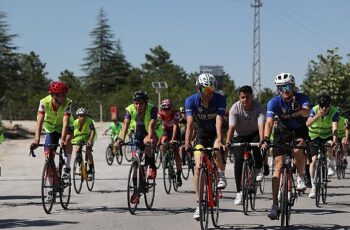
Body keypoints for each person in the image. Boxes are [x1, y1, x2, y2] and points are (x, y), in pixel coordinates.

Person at [261, 73, 310, 220]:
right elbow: (269, 122)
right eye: (280, 88)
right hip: (282, 132)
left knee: (297, 150)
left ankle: (300, 177)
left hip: (300, 130)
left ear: (293, 86)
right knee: (278, 167)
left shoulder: (302, 98)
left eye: (287, 86)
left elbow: (307, 113)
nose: (284, 90)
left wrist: (299, 108)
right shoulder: (273, 102)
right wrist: (265, 138)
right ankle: (275, 204)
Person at [184, 73, 227, 220]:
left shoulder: (220, 99)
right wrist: (187, 142)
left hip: (216, 133)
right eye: (205, 90)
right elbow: (190, 124)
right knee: (198, 167)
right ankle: (199, 203)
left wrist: (220, 140)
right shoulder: (191, 101)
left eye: (211, 90)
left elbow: (219, 121)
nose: (209, 93)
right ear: (198, 89)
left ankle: (221, 173)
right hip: (201, 134)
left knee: (217, 149)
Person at [117, 90, 162, 203]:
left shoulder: (152, 109)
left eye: (141, 103)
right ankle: (136, 190)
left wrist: (149, 138)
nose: (138, 106)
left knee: (149, 144)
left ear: (146, 103)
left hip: (155, 129)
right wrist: (121, 139)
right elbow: (125, 125)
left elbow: (151, 126)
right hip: (140, 131)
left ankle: (151, 166)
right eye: (136, 103)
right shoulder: (130, 109)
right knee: (136, 160)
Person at [226, 85, 266, 205]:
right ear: (239, 97)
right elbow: (231, 127)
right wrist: (228, 141)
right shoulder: (235, 108)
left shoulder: (259, 107)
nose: (245, 100)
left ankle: (259, 168)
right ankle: (239, 192)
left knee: (256, 147)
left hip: (254, 133)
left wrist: (262, 140)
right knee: (238, 160)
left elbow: (261, 126)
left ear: (252, 97)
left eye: (247, 97)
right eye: (242, 97)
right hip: (239, 135)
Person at [31, 81, 73, 179]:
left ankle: (67, 166)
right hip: (51, 128)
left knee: (67, 140)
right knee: (49, 157)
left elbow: (66, 122)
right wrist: (36, 140)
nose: (65, 97)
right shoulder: (43, 102)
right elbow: (39, 122)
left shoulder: (68, 102)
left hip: (66, 126)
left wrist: (63, 139)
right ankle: (53, 186)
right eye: (63, 95)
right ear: (54, 95)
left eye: (65, 94)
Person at [306, 95, 339, 198]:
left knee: (329, 146)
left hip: (327, 135)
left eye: (326, 106)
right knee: (314, 160)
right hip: (314, 135)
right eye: (322, 106)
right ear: (319, 105)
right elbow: (308, 123)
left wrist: (334, 141)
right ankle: (313, 187)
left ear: (330, 105)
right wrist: (317, 115)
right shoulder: (314, 109)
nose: (324, 108)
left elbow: (334, 128)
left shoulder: (334, 111)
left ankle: (332, 164)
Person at [158, 99, 182, 187]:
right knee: (163, 143)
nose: (166, 111)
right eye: (164, 110)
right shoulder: (159, 115)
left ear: (171, 108)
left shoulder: (175, 113)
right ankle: (165, 158)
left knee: (176, 153)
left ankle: (179, 176)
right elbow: (159, 128)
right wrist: (159, 139)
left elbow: (176, 126)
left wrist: (173, 139)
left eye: (168, 109)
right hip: (165, 130)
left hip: (175, 131)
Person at [72, 107, 97, 178]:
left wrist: (90, 140)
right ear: (78, 117)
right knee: (77, 149)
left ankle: (91, 169)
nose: (82, 118)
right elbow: (71, 132)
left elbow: (92, 131)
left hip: (90, 136)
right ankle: (79, 166)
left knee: (88, 150)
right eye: (80, 116)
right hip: (80, 137)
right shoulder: (75, 123)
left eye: (84, 116)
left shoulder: (89, 121)